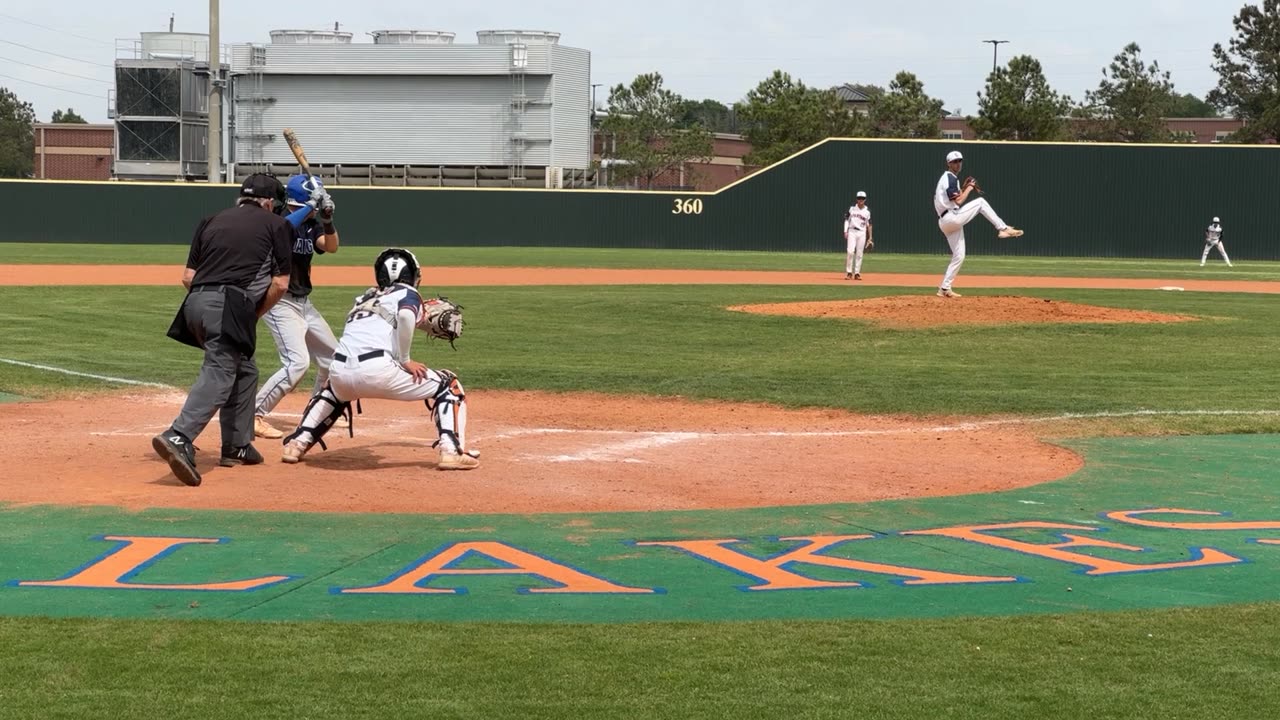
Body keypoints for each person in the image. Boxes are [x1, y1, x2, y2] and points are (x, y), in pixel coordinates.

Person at [280, 248, 481, 471]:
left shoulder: (364, 298)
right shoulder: (408, 293)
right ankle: (452, 451)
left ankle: (297, 443)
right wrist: (405, 360)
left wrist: (336, 375)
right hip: (378, 370)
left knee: (333, 392)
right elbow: (405, 315)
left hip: (340, 368)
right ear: (414, 275)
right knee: (449, 386)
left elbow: (362, 332)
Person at [153, 174, 295, 487]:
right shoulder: (278, 226)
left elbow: (188, 276)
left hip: (194, 305)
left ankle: (237, 445)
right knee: (220, 371)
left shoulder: (210, 220)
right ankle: (179, 435)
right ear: (270, 203)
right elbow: (280, 284)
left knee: (244, 370)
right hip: (229, 305)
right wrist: (252, 313)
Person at [253, 174, 348, 439]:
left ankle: (317, 410)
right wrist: (310, 206)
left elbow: (331, 247)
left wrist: (327, 219)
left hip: (304, 302)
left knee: (334, 358)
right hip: (278, 302)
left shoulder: (311, 224)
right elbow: (281, 230)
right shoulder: (277, 219)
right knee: (297, 363)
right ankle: (254, 414)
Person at [934, 150, 1024, 298]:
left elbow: (954, 200)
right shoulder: (949, 178)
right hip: (951, 218)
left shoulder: (947, 179)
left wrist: (964, 189)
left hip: (946, 220)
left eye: (959, 161)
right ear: (948, 163)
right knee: (981, 202)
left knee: (959, 256)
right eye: (954, 161)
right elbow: (959, 201)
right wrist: (969, 188)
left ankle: (944, 288)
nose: (958, 163)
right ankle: (1003, 228)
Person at [845, 191, 873, 281]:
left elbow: (869, 225)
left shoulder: (867, 212)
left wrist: (870, 237)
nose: (860, 200)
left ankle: (857, 273)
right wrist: (845, 231)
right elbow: (846, 220)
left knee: (859, 253)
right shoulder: (851, 209)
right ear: (856, 199)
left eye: (862, 198)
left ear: (865, 199)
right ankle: (849, 272)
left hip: (862, 233)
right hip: (852, 231)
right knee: (850, 252)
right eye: (859, 198)